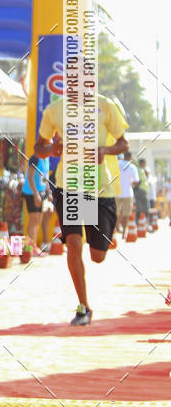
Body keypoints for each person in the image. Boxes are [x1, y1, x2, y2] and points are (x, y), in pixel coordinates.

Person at [35, 93, 128, 326]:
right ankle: (83, 307)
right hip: (69, 186)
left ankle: (103, 236)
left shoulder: (106, 104)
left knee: (98, 256)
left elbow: (123, 143)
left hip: (99, 189)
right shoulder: (55, 109)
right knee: (74, 243)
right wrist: (51, 149)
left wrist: (104, 151)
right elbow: (39, 147)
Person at [22, 153, 50, 253]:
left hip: (41, 191)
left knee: (37, 219)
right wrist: (35, 194)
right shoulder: (35, 158)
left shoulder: (46, 158)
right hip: (31, 192)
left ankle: (30, 247)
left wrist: (48, 191)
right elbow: (30, 177)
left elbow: (45, 177)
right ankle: (31, 247)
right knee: (34, 219)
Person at [116, 151, 139, 238]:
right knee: (126, 214)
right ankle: (124, 233)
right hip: (128, 193)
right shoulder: (132, 167)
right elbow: (136, 181)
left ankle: (115, 229)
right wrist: (130, 182)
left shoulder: (117, 164)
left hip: (117, 192)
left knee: (116, 213)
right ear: (130, 157)